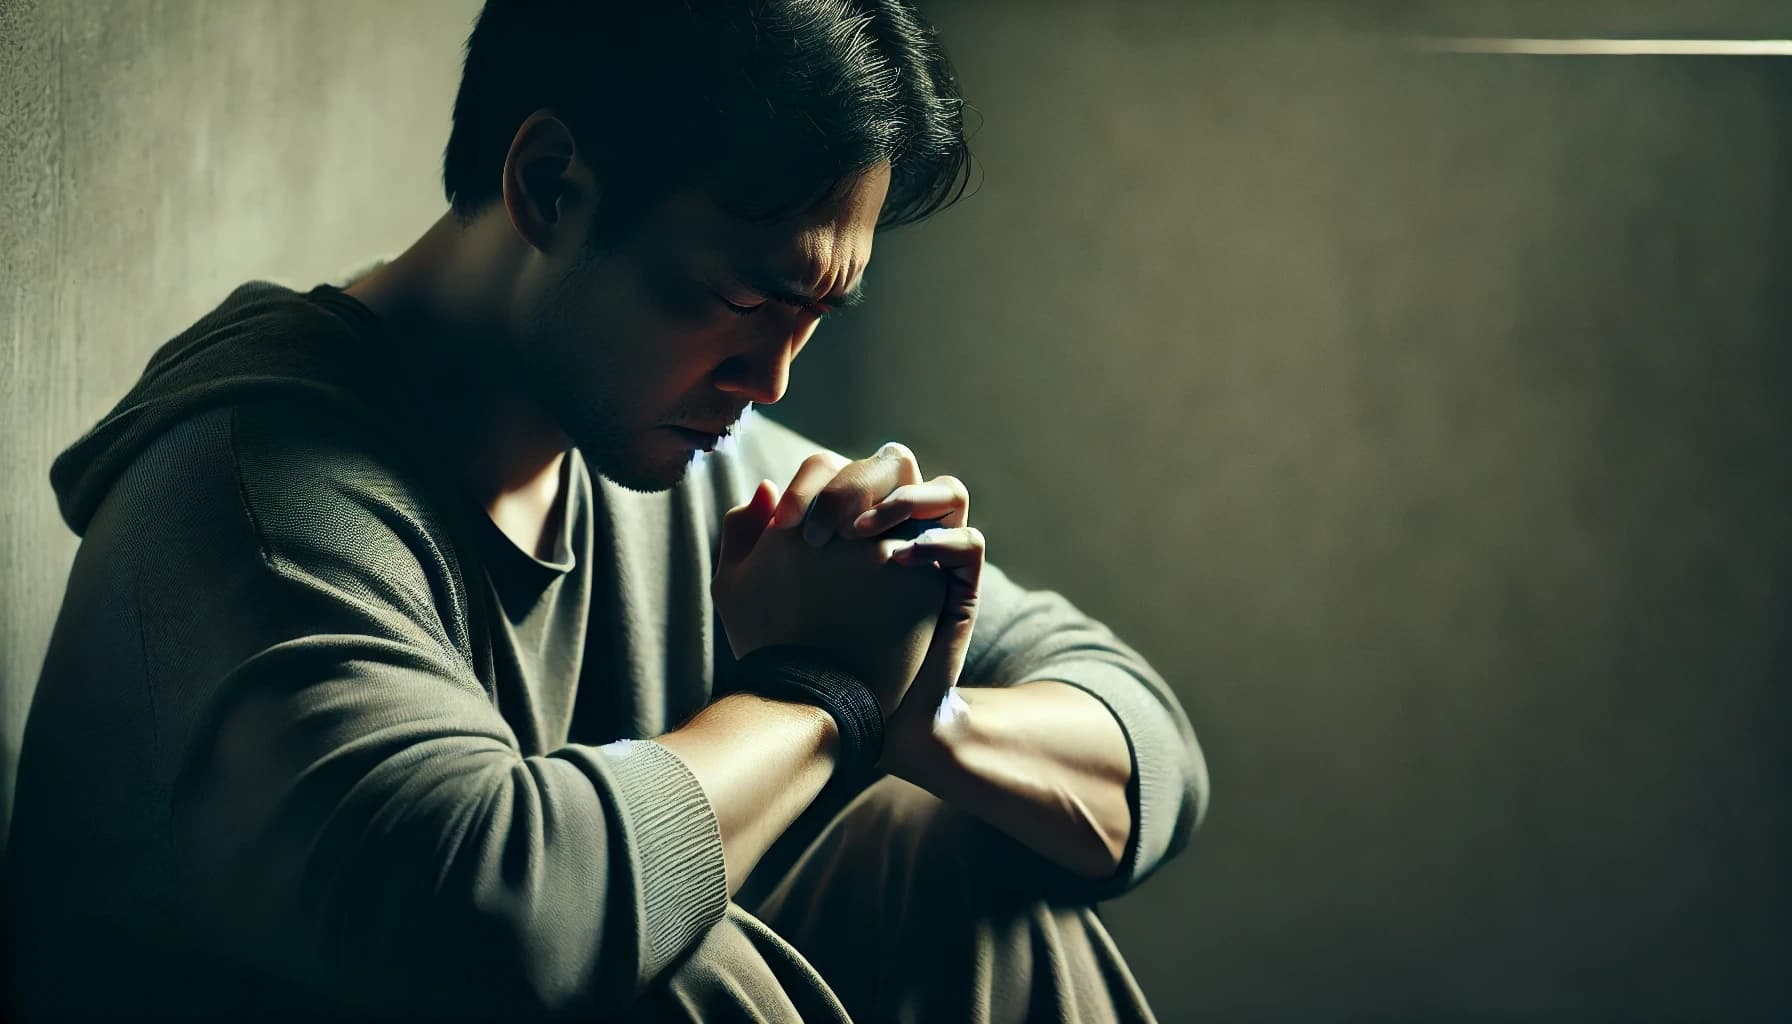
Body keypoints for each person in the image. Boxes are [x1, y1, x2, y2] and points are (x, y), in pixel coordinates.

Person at [5, 1, 1208, 1019]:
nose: (772, 379)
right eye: (738, 299)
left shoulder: (678, 445)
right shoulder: (253, 492)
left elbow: (1147, 747)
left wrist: (917, 717)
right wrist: (822, 694)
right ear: (549, 187)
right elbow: (500, 918)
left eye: (811, 318)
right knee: (670, 967)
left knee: (961, 868)